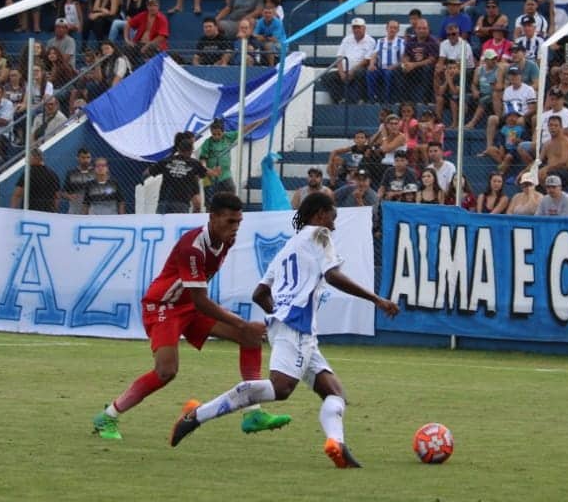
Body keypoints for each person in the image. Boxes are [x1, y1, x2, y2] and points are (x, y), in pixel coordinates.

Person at [169, 193, 399, 468]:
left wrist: (279, 314)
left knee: (334, 392)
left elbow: (259, 293)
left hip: (292, 327)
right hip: (296, 326)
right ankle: (197, 415)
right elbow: (332, 275)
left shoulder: (289, 247)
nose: (334, 226)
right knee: (281, 389)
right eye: (332, 218)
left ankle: (337, 444)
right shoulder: (319, 235)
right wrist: (377, 299)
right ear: (319, 215)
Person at [92, 192, 285, 441]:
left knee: (249, 337)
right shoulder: (193, 247)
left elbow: (197, 299)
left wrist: (244, 326)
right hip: (164, 305)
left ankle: (252, 413)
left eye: (239, 222)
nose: (235, 228)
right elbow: (200, 300)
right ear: (212, 217)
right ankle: (108, 415)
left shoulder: (226, 240)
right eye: (230, 222)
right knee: (166, 371)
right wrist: (240, 321)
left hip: (188, 305)